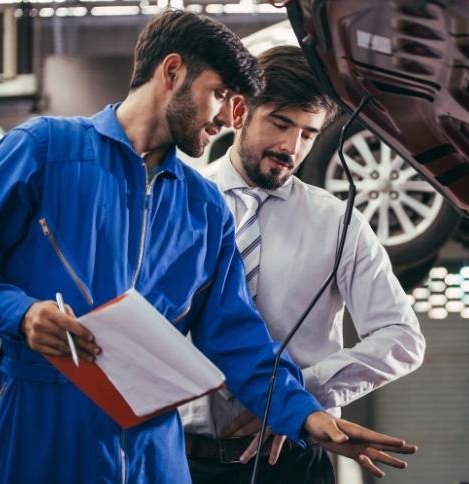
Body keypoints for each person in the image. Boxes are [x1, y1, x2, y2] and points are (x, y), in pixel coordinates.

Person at [0, 11, 414, 484]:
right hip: (41, 432)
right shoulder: (45, 149)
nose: (228, 117)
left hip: (155, 452)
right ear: (172, 72)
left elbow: (237, 338)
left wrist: (305, 416)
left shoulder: (204, 207)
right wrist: (20, 314)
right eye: (220, 94)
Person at [179, 46, 426, 484]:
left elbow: (402, 338)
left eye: (309, 134)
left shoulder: (338, 222)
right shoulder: (179, 202)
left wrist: (294, 399)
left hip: (291, 463)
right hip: (182, 461)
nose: (291, 148)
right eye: (280, 123)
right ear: (240, 111)